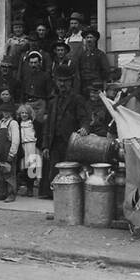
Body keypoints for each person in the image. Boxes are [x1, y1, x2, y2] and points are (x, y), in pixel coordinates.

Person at [41, 63, 91, 199]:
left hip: (70, 143)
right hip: (54, 143)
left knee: (70, 172)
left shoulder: (77, 99)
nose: (62, 84)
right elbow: (47, 125)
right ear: (56, 82)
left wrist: (85, 128)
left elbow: (84, 118)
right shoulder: (53, 101)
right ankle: (57, 199)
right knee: (54, 173)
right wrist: (45, 145)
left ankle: (71, 198)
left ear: (71, 82)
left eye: (65, 81)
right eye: (59, 81)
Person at [71, 28, 115, 98]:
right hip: (83, 86)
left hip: (96, 85)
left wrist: (103, 83)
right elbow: (76, 70)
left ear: (95, 39)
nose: (89, 40)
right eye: (87, 38)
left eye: (91, 37)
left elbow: (106, 71)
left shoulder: (100, 54)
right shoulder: (80, 55)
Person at [0, 100, 20, 203]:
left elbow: (16, 140)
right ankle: (1, 193)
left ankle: (11, 194)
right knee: (0, 172)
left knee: (9, 173)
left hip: (8, 150)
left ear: (11, 112)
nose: (5, 113)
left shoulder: (13, 123)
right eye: (4, 111)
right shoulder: (0, 123)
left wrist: (12, 153)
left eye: (8, 111)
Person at [16, 104, 42, 196]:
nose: (24, 115)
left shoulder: (34, 123)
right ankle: (25, 186)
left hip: (32, 146)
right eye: (22, 113)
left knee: (32, 168)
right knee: (23, 168)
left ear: (30, 114)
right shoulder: (18, 124)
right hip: (22, 147)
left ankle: (31, 189)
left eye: (26, 113)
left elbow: (39, 135)